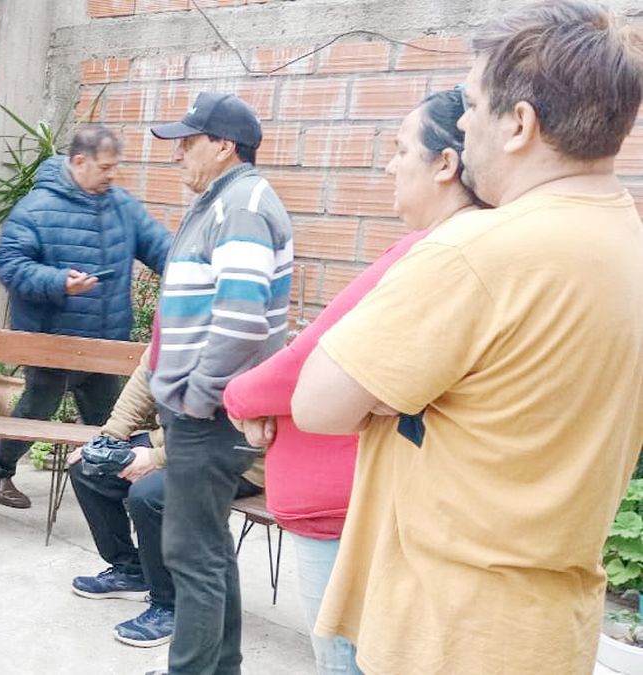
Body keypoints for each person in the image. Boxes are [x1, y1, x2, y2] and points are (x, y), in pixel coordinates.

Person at [293, 2, 643, 673]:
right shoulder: (623, 237)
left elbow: (317, 404)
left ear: (520, 124)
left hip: (446, 632)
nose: (463, 121)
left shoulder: (477, 252)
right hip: (547, 629)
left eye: (475, 104)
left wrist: (395, 395)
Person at [223, 88, 481, 675]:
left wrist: (239, 397)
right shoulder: (436, 248)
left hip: (342, 511)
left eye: (399, 149)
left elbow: (310, 361)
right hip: (347, 501)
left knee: (346, 661)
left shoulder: (431, 252)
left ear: (446, 164)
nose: (388, 165)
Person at [145, 91, 293, 675]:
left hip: (208, 415)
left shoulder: (243, 206)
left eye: (189, 141)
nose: (178, 153)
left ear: (224, 145)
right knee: (207, 550)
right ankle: (219, 666)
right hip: (208, 411)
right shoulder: (225, 200)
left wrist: (198, 396)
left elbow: (241, 317)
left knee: (190, 553)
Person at [0, 125, 172, 509]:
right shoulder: (36, 208)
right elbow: (10, 265)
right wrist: (58, 282)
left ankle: (111, 487)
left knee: (110, 418)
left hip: (103, 343)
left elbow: (161, 247)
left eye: (115, 167)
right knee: (37, 408)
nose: (112, 175)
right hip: (55, 341)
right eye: (104, 167)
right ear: (79, 162)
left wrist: (196, 271)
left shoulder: (122, 206)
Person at [68, 360, 264, 649]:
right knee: (89, 468)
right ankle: (131, 570)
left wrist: (155, 459)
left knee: (151, 495)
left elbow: (233, 435)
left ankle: (172, 606)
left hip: (239, 459)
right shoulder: (178, 324)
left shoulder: (242, 338)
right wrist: (107, 440)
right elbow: (143, 382)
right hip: (177, 440)